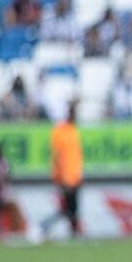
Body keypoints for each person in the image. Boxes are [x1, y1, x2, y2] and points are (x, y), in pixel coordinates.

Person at [41, 102, 84, 238]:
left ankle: (73, 233)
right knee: (68, 209)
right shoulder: (59, 131)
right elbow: (58, 157)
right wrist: (62, 178)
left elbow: (76, 157)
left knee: (73, 209)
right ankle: (44, 226)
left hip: (75, 177)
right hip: (65, 178)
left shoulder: (74, 130)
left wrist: (79, 174)